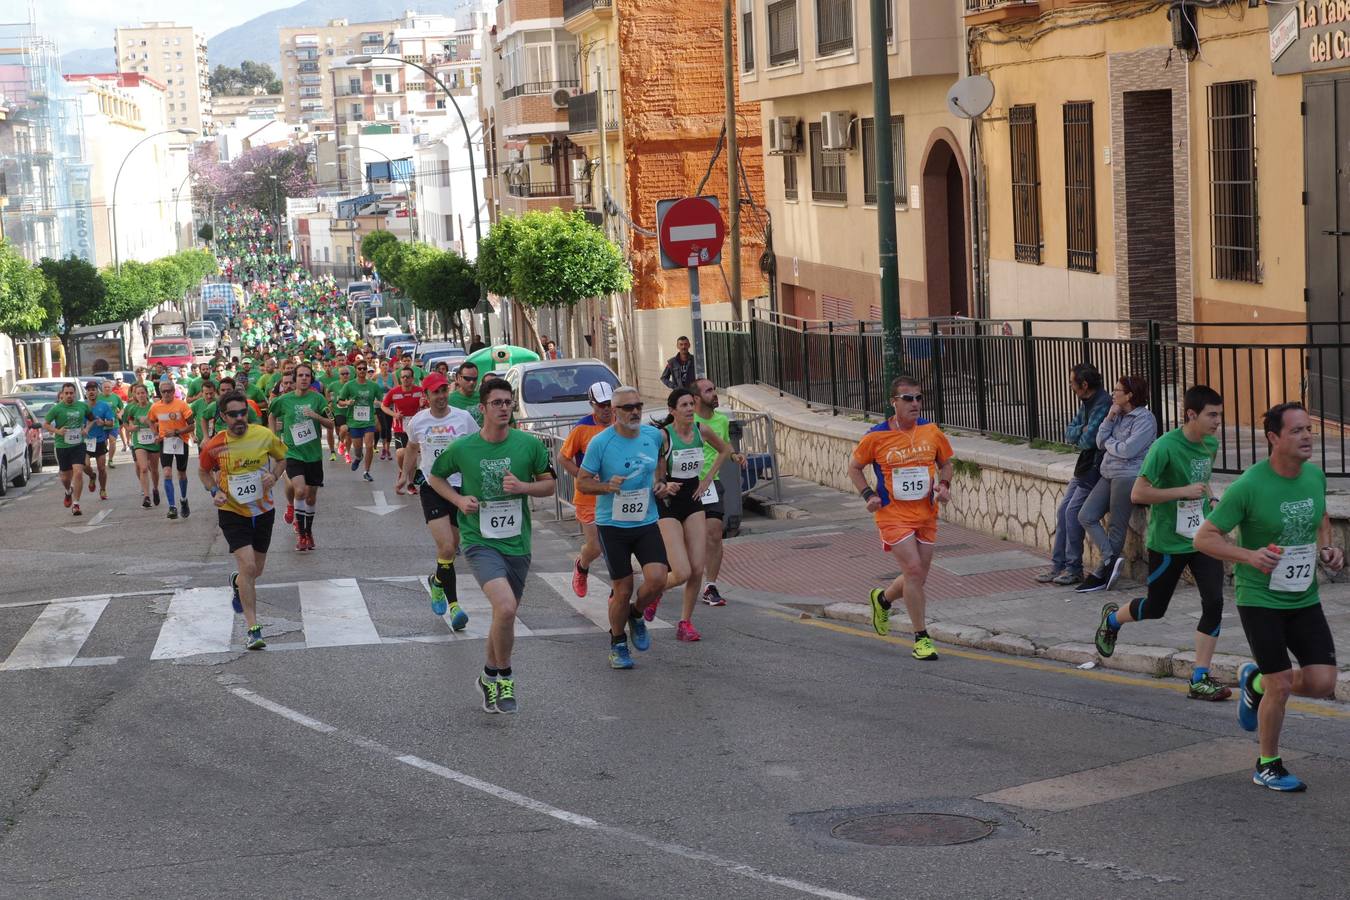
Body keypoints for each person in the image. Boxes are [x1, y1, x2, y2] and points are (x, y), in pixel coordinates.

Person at [1193, 403, 1342, 792]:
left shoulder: (1313, 476)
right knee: (1282, 685)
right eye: (1296, 431)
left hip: (1303, 596)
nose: (1308, 436)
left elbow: (1321, 517)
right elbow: (1204, 537)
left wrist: (1328, 549)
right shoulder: (1249, 486)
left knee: (1324, 682)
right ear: (1273, 438)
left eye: (1309, 428)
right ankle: (1268, 763)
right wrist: (1249, 555)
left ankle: (1254, 683)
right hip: (1260, 599)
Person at [1093, 386, 1232, 700]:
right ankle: (1112, 620)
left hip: (1201, 538)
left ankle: (1200, 678)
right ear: (1191, 415)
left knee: (1214, 603)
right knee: (1156, 608)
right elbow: (1138, 494)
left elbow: (1202, 477)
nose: (1217, 421)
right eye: (1212, 414)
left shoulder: (1210, 443)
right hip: (1168, 541)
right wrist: (1181, 492)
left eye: (1220, 414)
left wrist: (1209, 496)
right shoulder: (1164, 447)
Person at [427, 379, 555, 713]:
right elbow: (434, 477)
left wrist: (524, 486)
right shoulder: (463, 447)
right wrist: (458, 499)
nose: (503, 408)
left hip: (517, 543)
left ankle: (487, 675)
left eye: (508, 402)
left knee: (504, 614)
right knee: (506, 607)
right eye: (496, 402)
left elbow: (550, 485)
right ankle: (506, 677)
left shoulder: (528, 445)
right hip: (479, 541)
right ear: (482, 409)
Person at [849, 374, 954, 661]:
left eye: (919, 398)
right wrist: (868, 494)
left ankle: (882, 599)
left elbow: (946, 464)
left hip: (926, 513)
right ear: (893, 402)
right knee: (914, 571)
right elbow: (855, 468)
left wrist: (944, 486)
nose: (915, 403)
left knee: (917, 576)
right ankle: (921, 638)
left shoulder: (931, 431)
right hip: (892, 514)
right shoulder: (876, 436)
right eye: (908, 398)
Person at [577, 386, 670, 670]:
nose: (635, 412)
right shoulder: (601, 443)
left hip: (645, 520)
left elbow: (661, 461)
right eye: (628, 408)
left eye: (638, 405)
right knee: (623, 587)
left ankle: (636, 614)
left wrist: (660, 483)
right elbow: (582, 481)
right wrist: (606, 486)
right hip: (612, 524)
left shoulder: (654, 436)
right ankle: (618, 642)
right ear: (615, 412)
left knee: (657, 579)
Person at [199, 389, 290, 652]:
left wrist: (274, 476)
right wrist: (214, 491)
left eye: (243, 413)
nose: (240, 418)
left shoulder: (263, 435)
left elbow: (282, 458)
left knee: (255, 571)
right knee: (249, 566)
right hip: (232, 512)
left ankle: (237, 580)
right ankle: (253, 629)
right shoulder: (215, 444)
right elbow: (204, 472)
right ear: (223, 417)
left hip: (263, 511)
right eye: (233, 414)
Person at [653, 388, 732, 641]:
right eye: (684, 405)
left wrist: (708, 478)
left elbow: (725, 449)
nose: (689, 409)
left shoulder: (702, 430)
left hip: (694, 498)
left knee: (697, 569)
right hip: (668, 503)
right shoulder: (663, 437)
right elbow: (654, 478)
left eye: (691, 404)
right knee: (682, 571)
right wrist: (664, 486)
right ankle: (653, 591)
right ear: (672, 410)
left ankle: (685, 622)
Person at [404, 372, 480, 626]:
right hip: (431, 486)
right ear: (426, 396)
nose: (441, 397)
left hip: (459, 487)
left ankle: (436, 581)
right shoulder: (417, 421)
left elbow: (478, 444)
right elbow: (412, 449)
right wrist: (405, 476)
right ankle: (455, 607)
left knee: (451, 549)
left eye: (443, 391)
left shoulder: (464, 418)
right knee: (447, 546)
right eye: (435, 392)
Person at [1076, 374, 1158, 593]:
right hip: (1109, 472)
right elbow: (1099, 441)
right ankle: (1110, 556)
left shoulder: (1145, 419)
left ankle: (1102, 572)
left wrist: (1112, 443)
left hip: (1129, 475)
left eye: (1117, 390)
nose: (1113, 394)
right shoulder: (1118, 414)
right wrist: (1110, 418)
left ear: (1130, 395)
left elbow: (1128, 450)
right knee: (1086, 515)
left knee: (1115, 525)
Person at [1038, 363, 1111, 586]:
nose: (1070, 386)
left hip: (1094, 470)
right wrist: (1082, 429)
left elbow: (1090, 441)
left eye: (1072, 383)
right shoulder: (1087, 402)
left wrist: (1082, 432)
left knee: (1072, 513)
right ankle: (1059, 565)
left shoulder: (1102, 403)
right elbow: (1070, 433)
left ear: (1084, 385)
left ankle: (1073, 568)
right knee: (1063, 511)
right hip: (1084, 467)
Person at [692, 378, 746, 607]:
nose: (714, 394)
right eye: (708, 391)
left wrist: (735, 456)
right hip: (686, 485)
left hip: (711, 484)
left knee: (714, 534)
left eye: (714, 389)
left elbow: (724, 445)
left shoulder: (721, 420)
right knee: (688, 538)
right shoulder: (687, 420)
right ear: (696, 398)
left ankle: (710, 586)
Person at [269, 363, 333, 550]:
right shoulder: (284, 400)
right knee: (300, 491)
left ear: (311, 379)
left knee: (311, 498)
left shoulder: (318, 399)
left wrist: (316, 416)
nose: (304, 378)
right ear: (294, 379)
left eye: (307, 375)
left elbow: (331, 424)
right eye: (300, 375)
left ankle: (309, 532)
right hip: (292, 453)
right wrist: (274, 438)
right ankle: (302, 535)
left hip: (313, 455)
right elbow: (272, 415)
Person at [560, 383, 615, 598]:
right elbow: (563, 458)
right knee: (595, 546)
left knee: (615, 546)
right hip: (588, 497)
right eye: (601, 405)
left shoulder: (621, 423)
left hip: (614, 496)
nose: (606, 409)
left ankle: (617, 590)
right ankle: (582, 566)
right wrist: (584, 477)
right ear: (592, 404)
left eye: (609, 404)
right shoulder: (581, 428)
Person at [43, 382, 92, 516]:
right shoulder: (57, 409)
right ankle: (68, 491)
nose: (69, 395)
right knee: (65, 478)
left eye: (71, 393)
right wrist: (57, 431)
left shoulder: (82, 406)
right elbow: (45, 424)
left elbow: (92, 419)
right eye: (67, 393)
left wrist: (86, 429)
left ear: (74, 393)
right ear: (62, 394)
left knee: (78, 472)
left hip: (78, 445)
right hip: (62, 446)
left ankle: (76, 504)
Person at [149, 377, 195, 520]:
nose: (167, 394)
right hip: (165, 442)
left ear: (174, 391)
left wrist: (177, 432)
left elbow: (192, 426)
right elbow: (151, 421)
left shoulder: (182, 405)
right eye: (164, 392)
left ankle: (183, 499)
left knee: (181, 474)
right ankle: (172, 507)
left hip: (181, 440)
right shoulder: (155, 407)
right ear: (160, 392)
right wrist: (156, 434)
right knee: (167, 473)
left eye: (169, 391)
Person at [381, 366, 426, 495]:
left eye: (408, 377)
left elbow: (428, 405)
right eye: (403, 377)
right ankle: (403, 471)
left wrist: (423, 405)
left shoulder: (420, 391)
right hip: (400, 427)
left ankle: (410, 484)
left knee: (412, 455)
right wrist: (394, 415)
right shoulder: (394, 392)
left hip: (416, 428)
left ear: (412, 378)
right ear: (400, 379)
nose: (405, 379)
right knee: (401, 453)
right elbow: (384, 406)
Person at [338, 361, 382, 481]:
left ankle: (366, 471)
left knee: (369, 446)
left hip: (369, 421)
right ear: (356, 370)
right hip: (354, 421)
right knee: (358, 448)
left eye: (364, 368)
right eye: (359, 368)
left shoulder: (373, 386)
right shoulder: (349, 385)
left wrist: (381, 405)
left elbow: (382, 399)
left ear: (366, 370)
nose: (362, 370)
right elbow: (340, 401)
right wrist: (347, 402)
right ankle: (358, 457)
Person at [122, 382, 162, 508]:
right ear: (135, 395)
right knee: (143, 468)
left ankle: (155, 489)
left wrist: (153, 426)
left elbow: (161, 423)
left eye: (143, 393)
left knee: (154, 469)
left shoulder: (154, 407)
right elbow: (125, 423)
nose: (140, 395)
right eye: (138, 393)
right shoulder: (131, 408)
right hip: (139, 441)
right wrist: (130, 428)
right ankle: (146, 496)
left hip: (153, 440)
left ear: (147, 394)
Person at [81, 381, 117, 502]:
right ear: (86, 392)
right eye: (89, 390)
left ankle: (102, 489)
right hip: (85, 441)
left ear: (97, 391)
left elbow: (111, 422)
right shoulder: (82, 406)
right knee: (85, 465)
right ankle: (92, 476)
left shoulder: (104, 405)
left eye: (93, 389)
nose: (91, 392)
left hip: (100, 440)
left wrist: (104, 423)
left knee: (102, 468)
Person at [447, 361, 484, 425]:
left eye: (474, 379)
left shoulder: (483, 398)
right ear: (459, 378)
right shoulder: (450, 400)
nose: (472, 382)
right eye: (467, 378)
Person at [99, 380, 125, 469]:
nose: (107, 389)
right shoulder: (98, 397)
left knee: (112, 440)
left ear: (111, 388)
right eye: (105, 387)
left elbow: (122, 408)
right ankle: (103, 458)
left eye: (108, 387)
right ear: (102, 388)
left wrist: (120, 414)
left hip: (114, 423)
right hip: (102, 424)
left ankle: (110, 460)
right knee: (104, 443)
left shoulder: (116, 397)